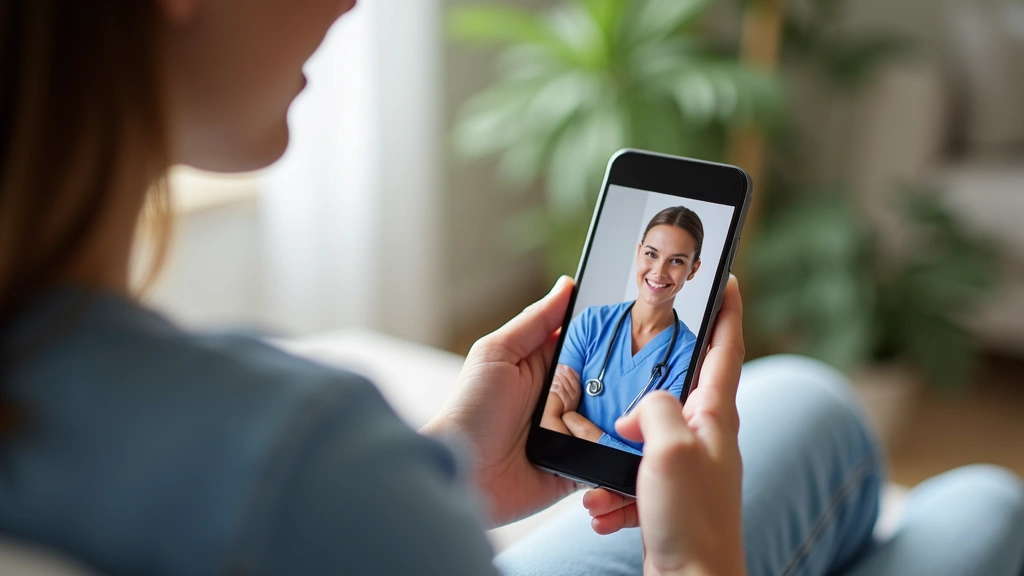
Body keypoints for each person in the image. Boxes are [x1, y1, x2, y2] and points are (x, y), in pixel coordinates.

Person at [1, 2, 1023, 576]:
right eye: (655, 257)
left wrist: (446, 469)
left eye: (681, 260)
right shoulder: (299, 460)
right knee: (977, 512)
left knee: (817, 405)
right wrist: (697, 562)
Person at [541, 206, 703, 455]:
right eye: (651, 254)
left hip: (628, 493)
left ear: (693, 270)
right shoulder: (590, 324)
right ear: (638, 253)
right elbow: (547, 420)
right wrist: (614, 452)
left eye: (676, 261)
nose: (659, 271)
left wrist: (583, 428)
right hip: (559, 479)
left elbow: (655, 459)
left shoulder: (687, 358)